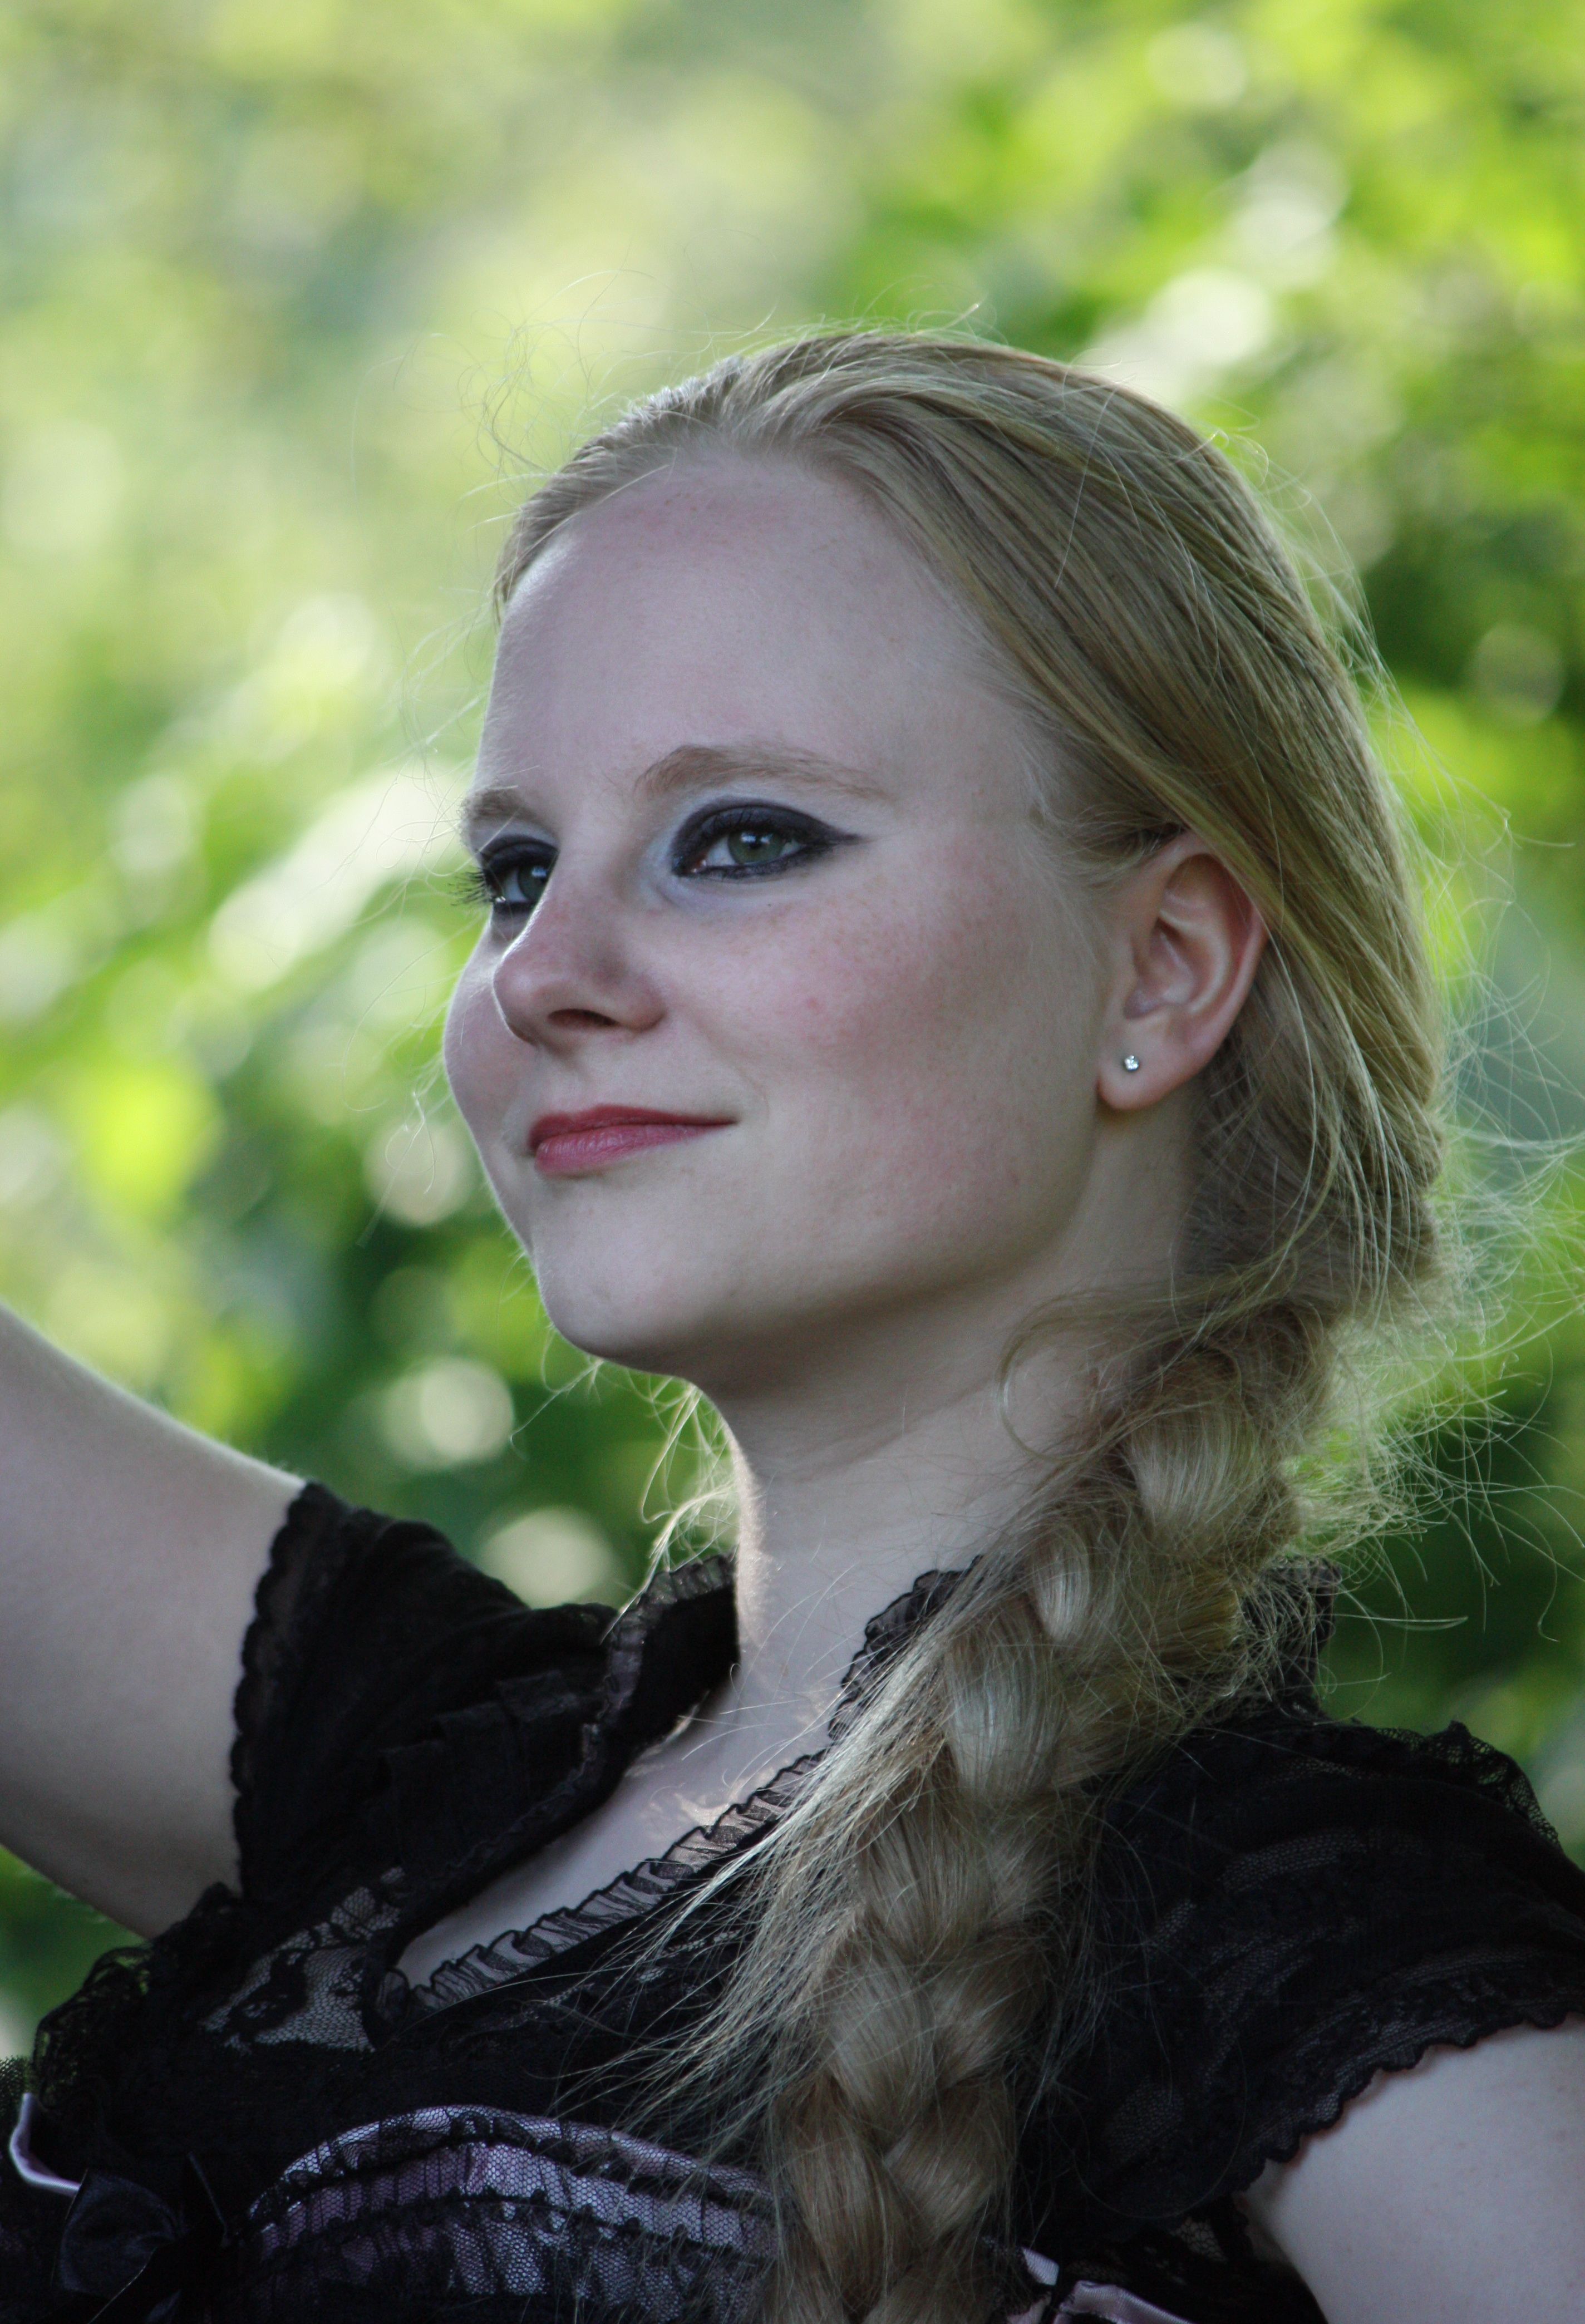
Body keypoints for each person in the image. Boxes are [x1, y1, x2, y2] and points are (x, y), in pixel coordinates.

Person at [1, 330, 1582, 2324]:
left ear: (1163, 969)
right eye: (512, 872)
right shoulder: (400, 1791)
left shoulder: (1307, 1941)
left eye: (741, 838)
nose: (545, 971)